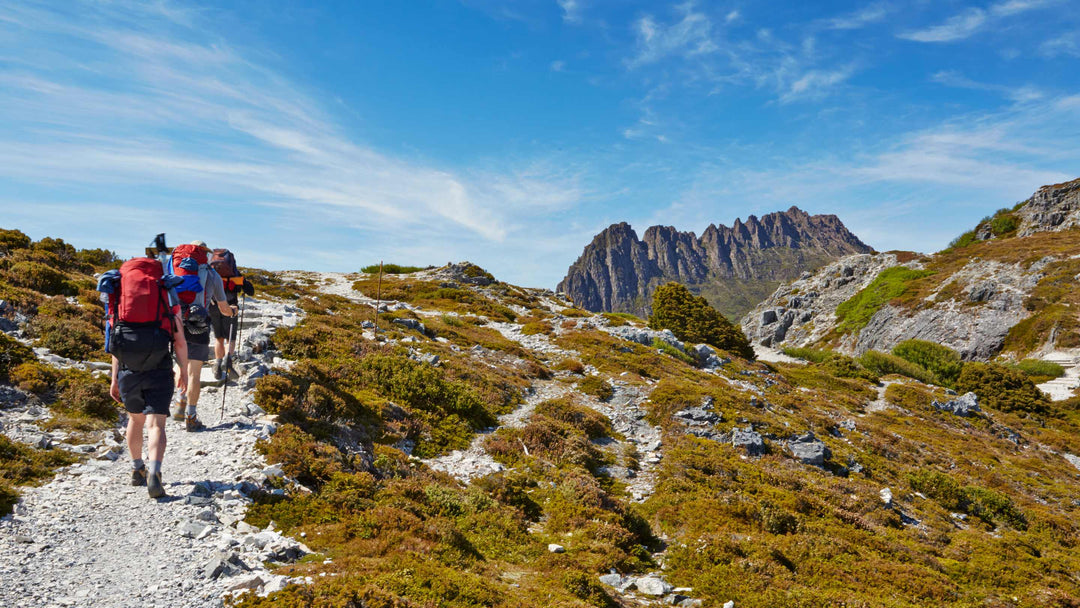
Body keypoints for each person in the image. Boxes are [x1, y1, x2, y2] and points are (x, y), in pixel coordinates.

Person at [100, 254, 189, 499]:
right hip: (159, 368)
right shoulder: (166, 294)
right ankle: (155, 472)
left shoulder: (118, 298)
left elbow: (114, 343)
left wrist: (114, 377)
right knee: (156, 424)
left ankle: (137, 468)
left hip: (128, 370)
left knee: (135, 420)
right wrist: (184, 371)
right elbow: (179, 341)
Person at [170, 240, 234, 431]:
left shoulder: (175, 268)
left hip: (176, 323)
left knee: (178, 365)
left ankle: (180, 398)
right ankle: (191, 416)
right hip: (199, 325)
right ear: (205, 254)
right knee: (194, 373)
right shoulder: (212, 274)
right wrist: (232, 311)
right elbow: (223, 308)